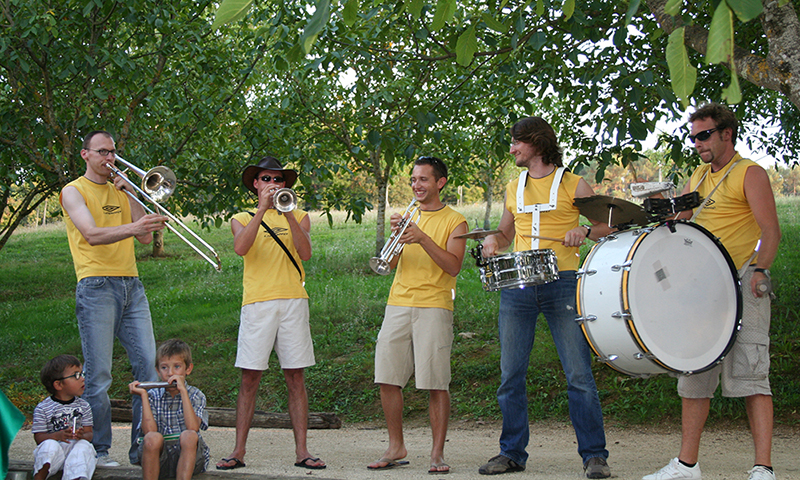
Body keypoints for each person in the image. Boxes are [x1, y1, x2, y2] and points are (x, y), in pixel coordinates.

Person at [642, 103, 781, 480]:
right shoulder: (699, 176)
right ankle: (687, 466)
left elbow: (770, 230)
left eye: (704, 135)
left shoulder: (749, 173)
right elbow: (680, 221)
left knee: (751, 374)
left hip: (743, 279)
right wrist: (659, 211)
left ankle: (763, 468)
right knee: (694, 376)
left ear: (726, 134)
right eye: (693, 137)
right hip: (703, 289)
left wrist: (761, 270)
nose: (698, 143)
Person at [477, 117, 613, 478]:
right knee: (511, 375)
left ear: (535, 143)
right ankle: (511, 453)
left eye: (516, 143)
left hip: (563, 284)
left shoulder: (573, 183)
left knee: (578, 373)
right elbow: (504, 236)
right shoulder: (513, 187)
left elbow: (609, 224)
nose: (512, 150)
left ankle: (595, 456)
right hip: (518, 288)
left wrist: (583, 229)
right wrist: (492, 241)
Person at [60, 130, 167, 466]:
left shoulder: (120, 189)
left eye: (114, 152)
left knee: (149, 368)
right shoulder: (73, 191)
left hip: (131, 286)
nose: (111, 159)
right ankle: (99, 450)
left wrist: (133, 194)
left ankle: (141, 450)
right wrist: (133, 229)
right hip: (96, 286)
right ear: (85, 155)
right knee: (99, 375)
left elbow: (146, 236)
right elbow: (91, 235)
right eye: (103, 152)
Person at [216, 156, 325, 471]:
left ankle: (302, 451)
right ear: (256, 184)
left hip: (293, 301)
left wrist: (288, 213)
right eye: (267, 179)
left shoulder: (300, 215)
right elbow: (241, 248)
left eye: (279, 180)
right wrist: (263, 210)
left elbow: (305, 252)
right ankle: (238, 451)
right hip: (258, 303)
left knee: (296, 376)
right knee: (250, 377)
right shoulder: (242, 216)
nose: (274, 185)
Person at [367, 156, 468, 475]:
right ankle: (396, 446)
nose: (416, 185)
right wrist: (398, 239)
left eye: (423, 179)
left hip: (435, 305)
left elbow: (453, 266)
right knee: (386, 377)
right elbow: (391, 264)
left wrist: (422, 237)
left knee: (436, 382)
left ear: (440, 183)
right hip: (398, 302)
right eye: (413, 179)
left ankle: (437, 454)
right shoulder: (408, 217)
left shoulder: (456, 221)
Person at [129, 339, 210, 480]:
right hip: (160, 459)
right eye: (164, 368)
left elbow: (193, 427)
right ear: (157, 371)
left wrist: (183, 391)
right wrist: (143, 396)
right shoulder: (152, 395)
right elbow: (149, 431)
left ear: (188, 369)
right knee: (152, 438)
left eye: (177, 366)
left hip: (189, 459)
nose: (170, 373)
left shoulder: (196, 395)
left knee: (189, 436)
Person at [31, 354, 96, 480]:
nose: (82, 378)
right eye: (76, 375)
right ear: (59, 385)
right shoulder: (43, 408)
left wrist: (82, 435)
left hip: (75, 451)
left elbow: (89, 434)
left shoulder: (84, 406)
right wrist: (57, 436)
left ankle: (74, 477)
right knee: (49, 445)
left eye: (82, 374)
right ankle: (39, 477)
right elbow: (39, 438)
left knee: (85, 446)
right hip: (55, 453)